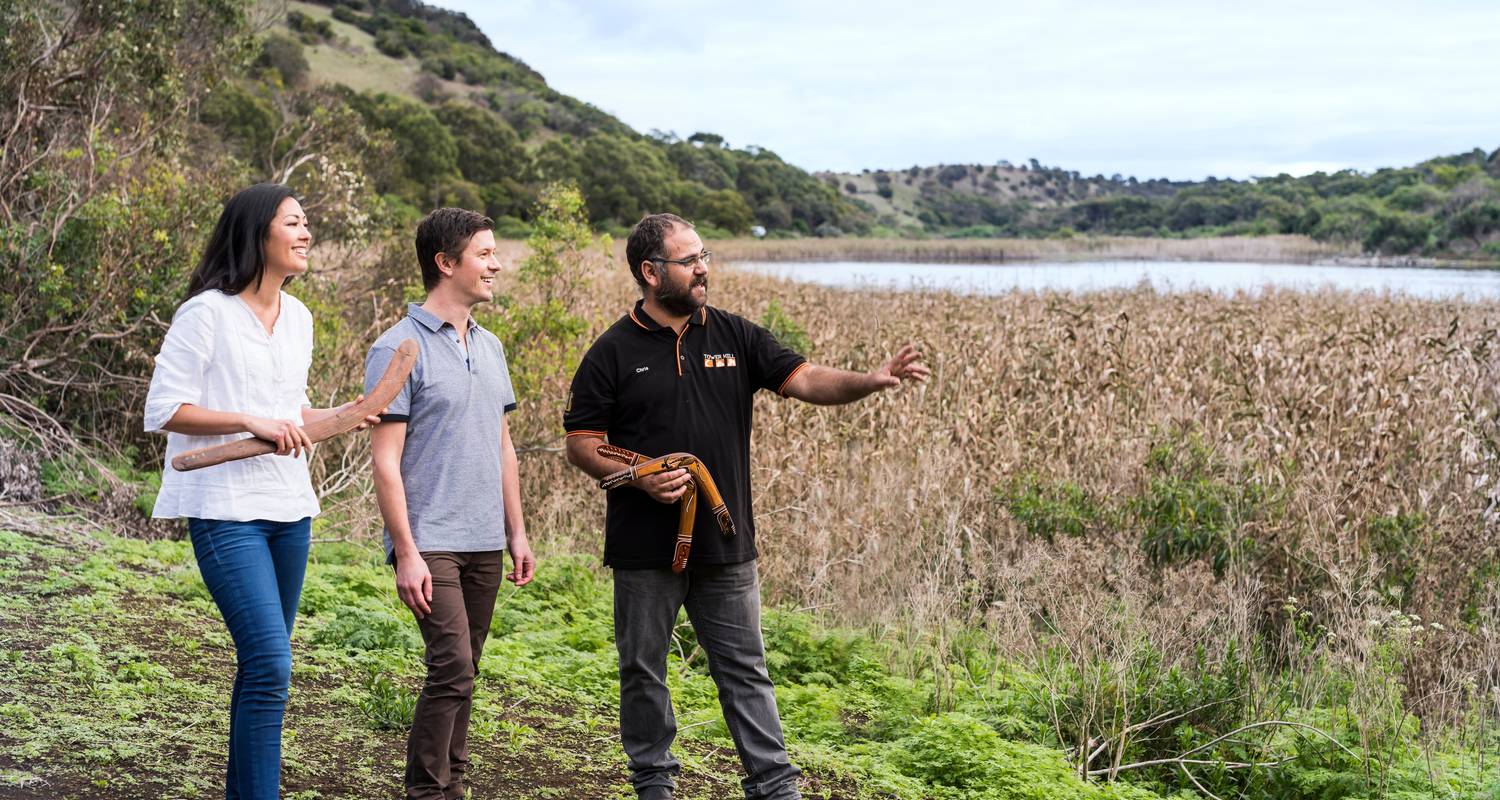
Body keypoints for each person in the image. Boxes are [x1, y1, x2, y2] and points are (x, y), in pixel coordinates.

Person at [563, 213, 929, 800]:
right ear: (650, 273)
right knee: (642, 670)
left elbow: (807, 380)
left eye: (704, 254)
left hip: (726, 544)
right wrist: (637, 477)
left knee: (744, 670)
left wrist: (869, 378)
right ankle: (653, 783)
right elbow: (582, 443)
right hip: (643, 548)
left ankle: (774, 785)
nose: (703, 267)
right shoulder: (612, 350)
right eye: (689, 260)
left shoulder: (735, 335)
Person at [144, 182, 380, 800]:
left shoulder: (299, 317)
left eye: (307, 223)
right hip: (224, 509)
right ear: (257, 233)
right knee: (274, 664)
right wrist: (246, 420)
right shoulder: (205, 313)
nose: (306, 234)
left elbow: (288, 412)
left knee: (261, 667)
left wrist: (346, 412)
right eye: (293, 223)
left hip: (288, 507)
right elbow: (164, 409)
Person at [366, 207, 536, 800]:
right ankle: (427, 792)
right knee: (452, 668)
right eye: (485, 253)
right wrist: (406, 552)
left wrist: (517, 531)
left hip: (486, 538)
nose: (496, 264)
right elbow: (385, 460)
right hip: (430, 540)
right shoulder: (397, 347)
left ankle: (450, 787)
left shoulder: (490, 347)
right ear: (446, 262)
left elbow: (503, 446)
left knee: (467, 671)